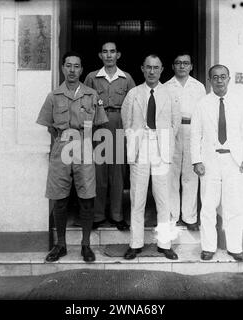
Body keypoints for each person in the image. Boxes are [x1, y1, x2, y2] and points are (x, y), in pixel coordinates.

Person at [36, 51, 108, 263]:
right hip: (62, 147)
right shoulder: (53, 96)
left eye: (76, 66)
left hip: (84, 146)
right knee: (59, 198)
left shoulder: (92, 95)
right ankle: (61, 245)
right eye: (68, 66)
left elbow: (99, 123)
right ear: (62, 68)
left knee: (87, 198)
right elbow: (49, 125)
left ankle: (86, 245)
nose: (72, 70)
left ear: (82, 70)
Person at [190, 64, 243, 261]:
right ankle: (208, 247)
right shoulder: (202, 104)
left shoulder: (240, 102)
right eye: (215, 77)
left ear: (229, 79)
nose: (219, 80)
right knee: (208, 205)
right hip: (210, 160)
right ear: (210, 81)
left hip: (233, 161)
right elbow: (195, 135)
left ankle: (235, 247)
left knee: (233, 205)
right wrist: (196, 161)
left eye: (223, 77)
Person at [121, 54, 181, 260]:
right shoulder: (134, 93)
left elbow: (176, 123)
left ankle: (165, 243)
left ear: (162, 69)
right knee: (137, 198)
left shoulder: (170, 94)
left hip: (161, 150)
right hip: (140, 149)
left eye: (156, 67)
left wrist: (163, 142)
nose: (152, 71)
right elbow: (126, 122)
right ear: (142, 69)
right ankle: (135, 243)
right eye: (148, 67)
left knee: (163, 199)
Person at [84, 41, 136, 231]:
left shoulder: (126, 78)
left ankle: (117, 215)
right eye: (105, 52)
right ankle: (97, 215)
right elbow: (86, 106)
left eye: (112, 52)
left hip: (120, 124)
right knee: (99, 173)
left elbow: (133, 106)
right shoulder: (92, 77)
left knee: (118, 173)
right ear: (100, 55)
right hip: (99, 126)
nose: (108, 55)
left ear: (118, 55)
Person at [165, 53, 206, 231]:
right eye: (178, 63)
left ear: (191, 66)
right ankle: (172, 215)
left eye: (185, 63)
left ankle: (189, 217)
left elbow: (203, 113)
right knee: (171, 175)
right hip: (172, 130)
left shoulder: (198, 87)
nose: (182, 66)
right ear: (173, 66)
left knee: (190, 174)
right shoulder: (166, 87)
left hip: (193, 130)